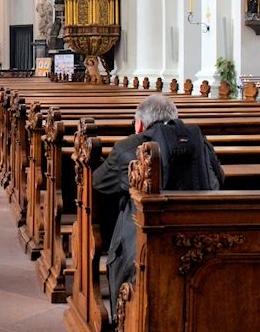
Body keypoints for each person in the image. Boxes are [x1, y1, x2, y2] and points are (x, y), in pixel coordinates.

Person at [93, 94, 224, 313]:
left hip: (145, 246)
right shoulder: (199, 142)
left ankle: (122, 328)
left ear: (140, 124)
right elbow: (218, 179)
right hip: (200, 239)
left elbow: (97, 182)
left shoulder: (128, 148)